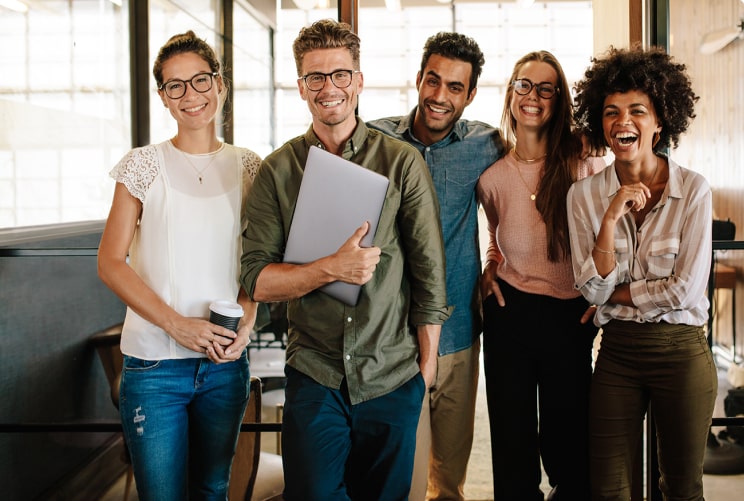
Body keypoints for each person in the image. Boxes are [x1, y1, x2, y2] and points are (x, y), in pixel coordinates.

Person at [240, 19, 451, 501]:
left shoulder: (401, 162)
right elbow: (256, 279)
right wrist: (331, 268)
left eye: (339, 75)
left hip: (393, 373)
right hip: (316, 374)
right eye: (315, 77)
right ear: (300, 88)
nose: (328, 87)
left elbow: (429, 274)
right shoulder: (277, 170)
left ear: (358, 80)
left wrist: (425, 370)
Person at [97, 31, 260, 500]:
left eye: (201, 80)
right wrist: (178, 326)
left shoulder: (249, 165)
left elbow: (260, 258)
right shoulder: (143, 165)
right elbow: (110, 262)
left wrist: (247, 316)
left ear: (221, 84)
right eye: (175, 86)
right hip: (155, 366)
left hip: (224, 364)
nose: (191, 96)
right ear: (164, 99)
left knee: (212, 489)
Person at [568, 45, 716, 500]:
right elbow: (593, 291)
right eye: (611, 112)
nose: (622, 122)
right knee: (609, 488)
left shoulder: (692, 190)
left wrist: (616, 295)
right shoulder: (584, 197)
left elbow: (686, 292)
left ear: (660, 120)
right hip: (618, 354)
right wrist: (610, 216)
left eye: (637, 110)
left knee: (682, 487)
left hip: (682, 350)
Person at [368, 32, 505, 501]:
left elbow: (532, 182)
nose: (439, 96)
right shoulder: (375, 140)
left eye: (454, 87)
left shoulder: (488, 145)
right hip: (390, 337)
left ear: (469, 94)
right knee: (395, 476)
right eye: (433, 81)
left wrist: (497, 259)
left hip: (459, 331)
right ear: (419, 79)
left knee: (447, 480)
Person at [476, 50, 604, 500]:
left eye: (545, 88)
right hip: (509, 312)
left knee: (569, 445)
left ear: (558, 99)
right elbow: (496, 234)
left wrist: (603, 295)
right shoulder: (491, 177)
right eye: (524, 85)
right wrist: (491, 266)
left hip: (570, 316)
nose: (533, 96)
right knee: (511, 446)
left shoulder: (585, 164)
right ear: (511, 92)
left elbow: (613, 236)